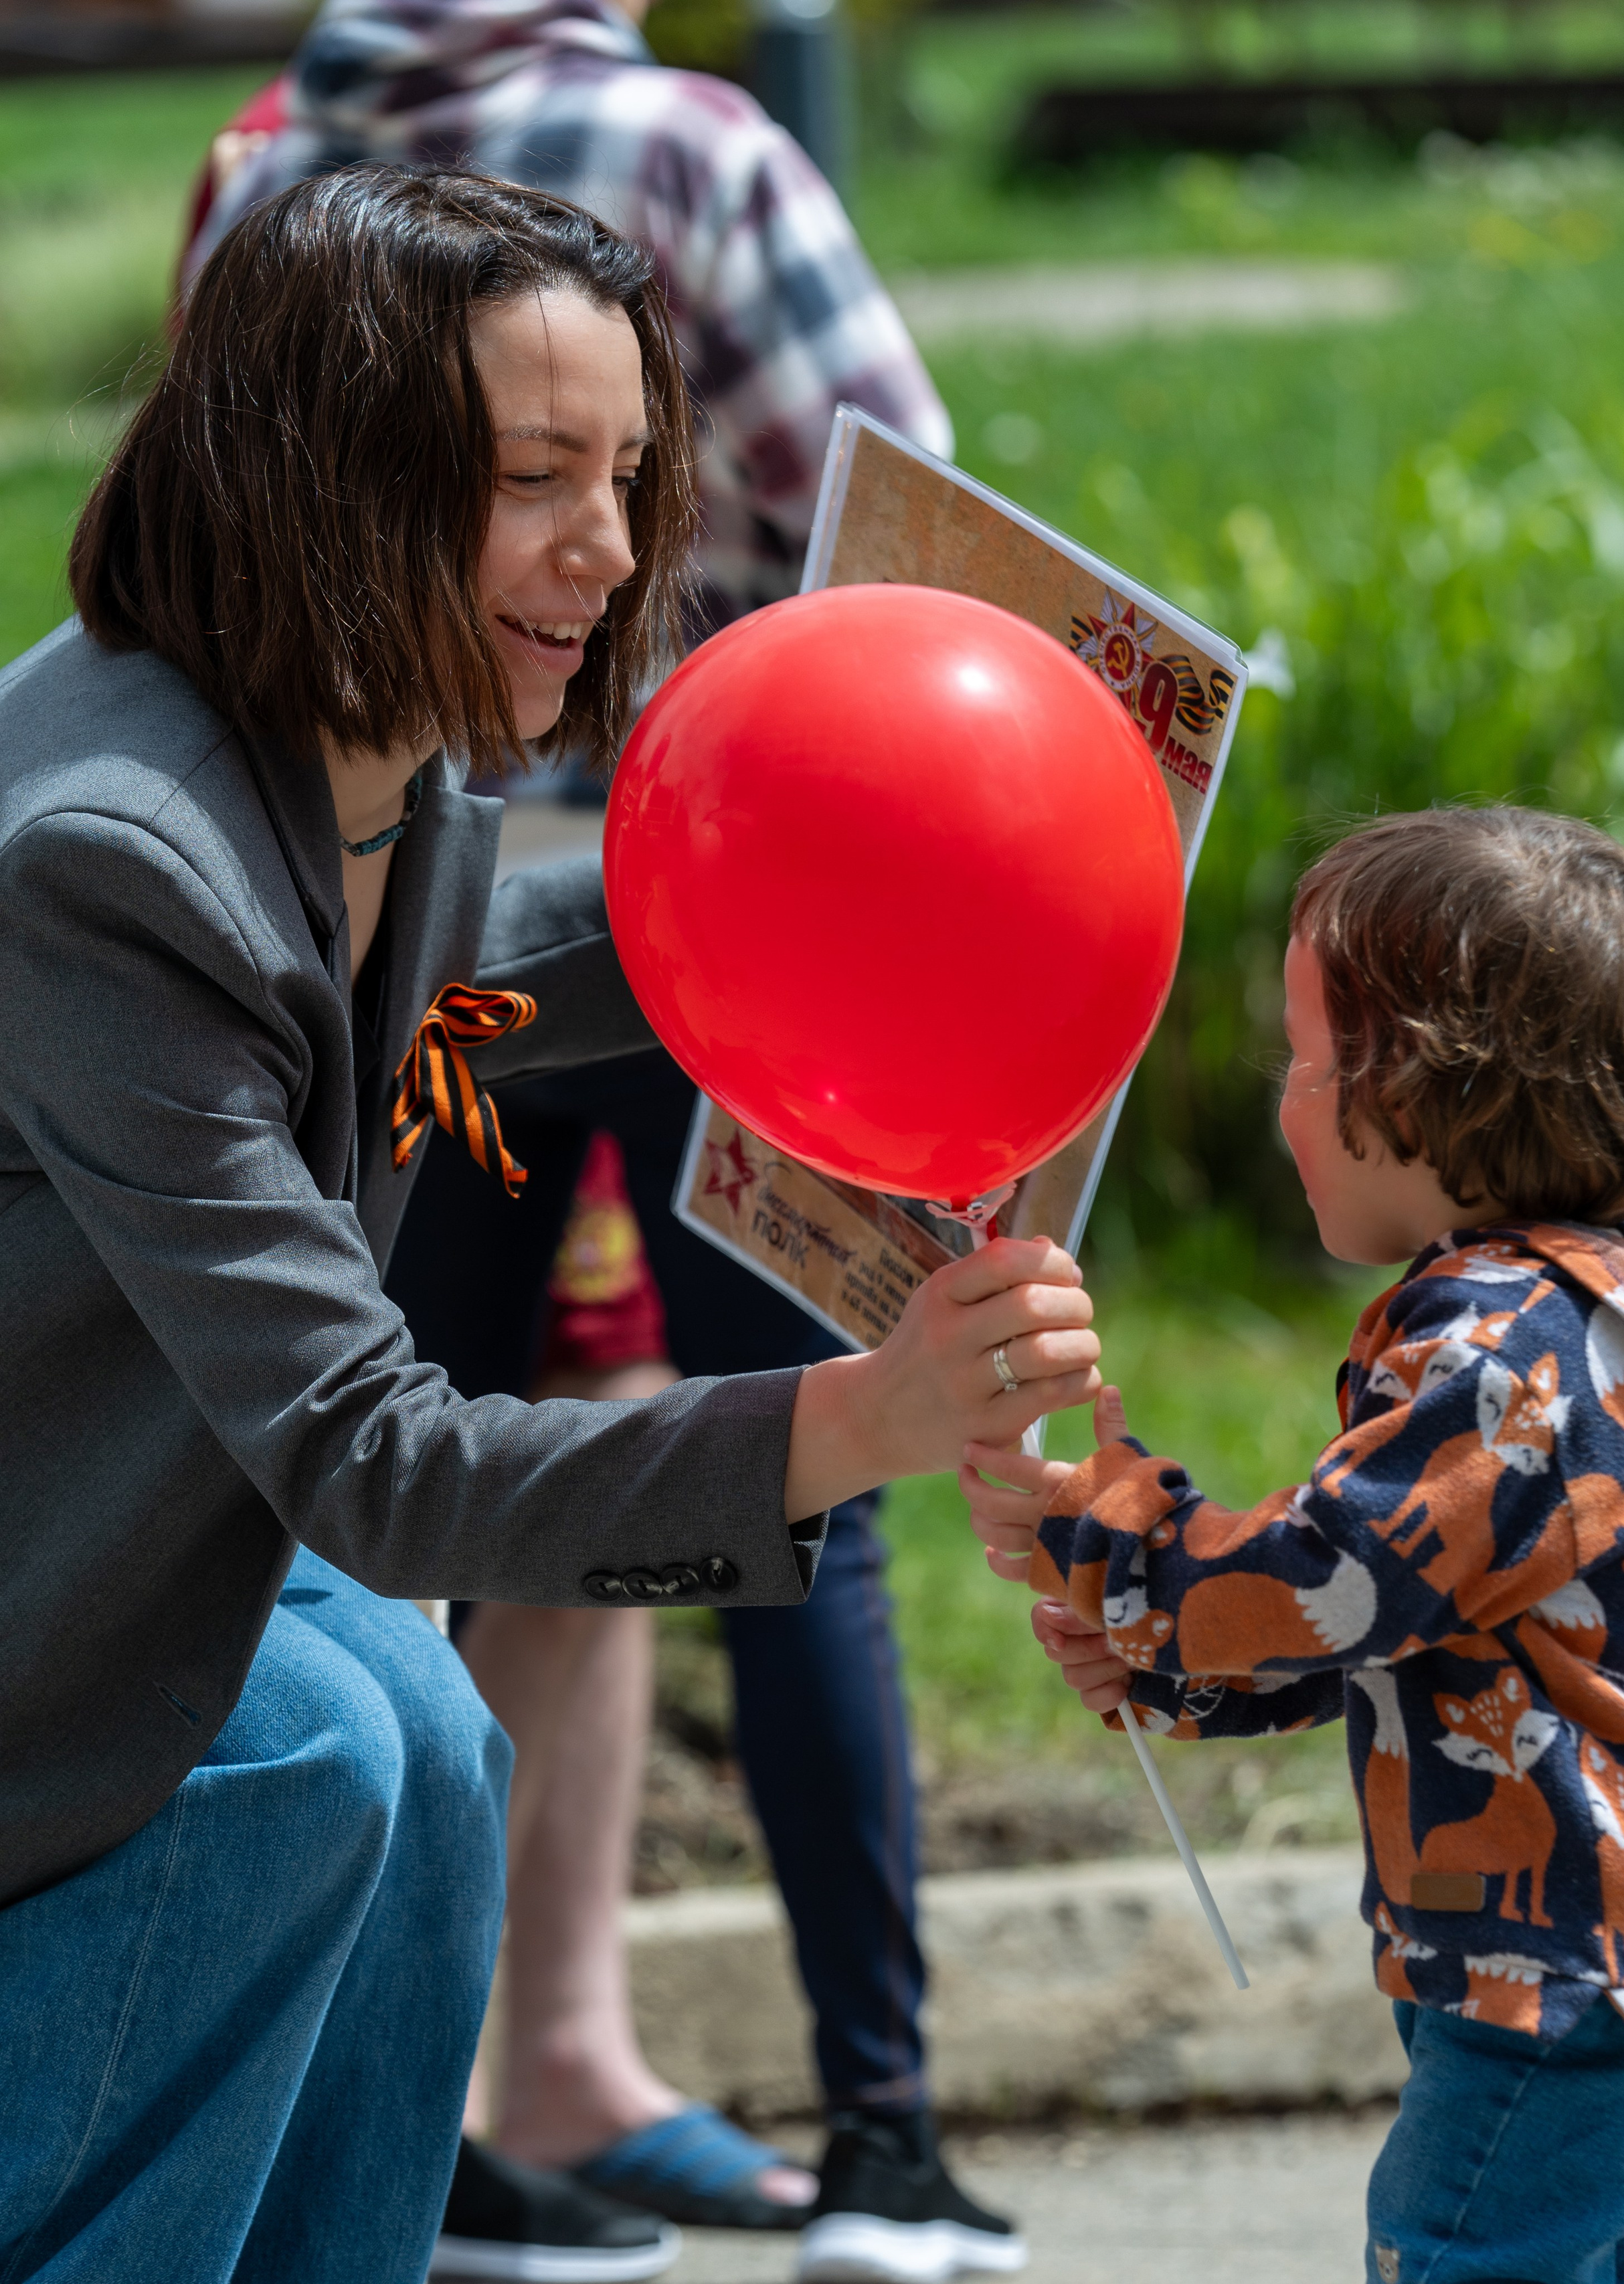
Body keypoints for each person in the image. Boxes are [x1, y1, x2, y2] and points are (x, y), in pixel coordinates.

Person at [0, 163, 1104, 2284]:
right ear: (329, 478)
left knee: (418, 1721)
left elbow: (468, 971)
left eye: (626, 475)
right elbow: (386, 1462)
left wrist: (845, 867)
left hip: (117, 1549)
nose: (610, 552)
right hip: (45, 1642)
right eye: (535, 478)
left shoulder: (348, 739)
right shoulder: (108, 862)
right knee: (321, 1734)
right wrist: (863, 1414)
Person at [968, 805, 1624, 2284]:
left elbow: (1314, 1584)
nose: (1282, 1105)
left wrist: (1097, 1528)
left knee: (1447, 2255)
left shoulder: (1501, 1350)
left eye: (1306, 1063)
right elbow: (1400, 1617)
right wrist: (1161, 1660)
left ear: (1426, 1096)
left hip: (1569, 1981)